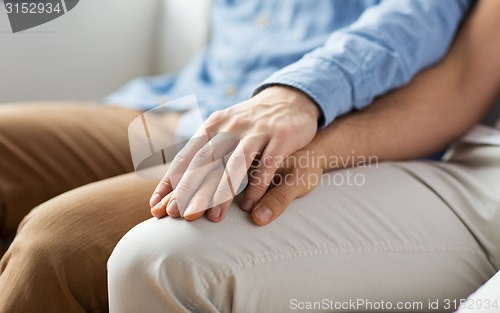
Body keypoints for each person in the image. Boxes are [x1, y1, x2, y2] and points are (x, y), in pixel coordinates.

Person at [0, 0, 473, 312]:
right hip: (188, 101)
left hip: (302, 126)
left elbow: (415, 18)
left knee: (60, 243)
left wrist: (295, 95)